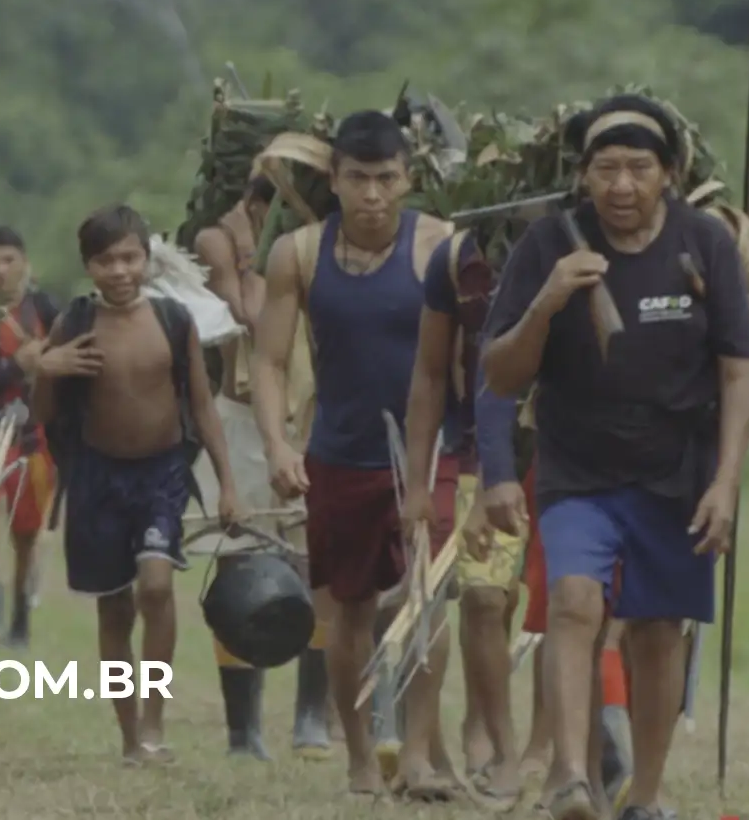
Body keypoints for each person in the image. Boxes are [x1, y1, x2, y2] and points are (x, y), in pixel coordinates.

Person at [481, 94, 749, 820]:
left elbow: (739, 369)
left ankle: (648, 794)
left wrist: (727, 483)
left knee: (661, 631)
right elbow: (501, 375)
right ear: (583, 175)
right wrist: (546, 303)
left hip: (678, 470)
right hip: (577, 466)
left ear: (669, 174)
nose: (623, 185)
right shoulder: (547, 243)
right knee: (574, 602)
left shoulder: (705, 243)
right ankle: (572, 777)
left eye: (639, 168)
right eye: (606, 169)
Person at [250, 110, 457, 799]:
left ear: (408, 179)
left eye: (386, 179)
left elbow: (469, 358)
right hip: (339, 452)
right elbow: (269, 361)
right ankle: (362, 757)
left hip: (427, 454)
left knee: (430, 600)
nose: (372, 194)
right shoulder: (299, 254)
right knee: (348, 611)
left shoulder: (440, 247)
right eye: (359, 178)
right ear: (333, 179)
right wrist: (278, 444)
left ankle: (419, 754)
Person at [34, 204, 239, 764]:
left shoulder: (173, 320)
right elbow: (44, 412)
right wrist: (47, 368)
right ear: (88, 266)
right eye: (106, 261)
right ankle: (130, 735)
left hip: (161, 474)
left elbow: (202, 405)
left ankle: (153, 718)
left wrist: (227, 483)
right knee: (115, 608)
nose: (120, 271)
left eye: (130, 258)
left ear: (147, 258)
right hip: (97, 476)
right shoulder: (75, 323)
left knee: (155, 585)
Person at [192, 177, 333, 760]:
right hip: (244, 425)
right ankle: (243, 730)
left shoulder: (329, 246)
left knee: (317, 569)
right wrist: (255, 248)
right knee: (240, 569)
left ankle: (311, 718)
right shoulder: (218, 242)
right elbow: (249, 315)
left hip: (312, 418)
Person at [401, 226, 529, 804]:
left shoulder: (589, 242)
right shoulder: (459, 259)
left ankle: (548, 751)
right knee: (477, 597)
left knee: (539, 603)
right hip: (474, 449)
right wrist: (417, 481)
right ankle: (492, 748)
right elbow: (430, 373)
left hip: (567, 452)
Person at [0, 224, 61, 647]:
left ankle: (20, 622)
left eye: (9, 260)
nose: (1, 270)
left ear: (24, 264)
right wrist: (16, 366)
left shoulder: (44, 309)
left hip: (34, 438)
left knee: (26, 535)